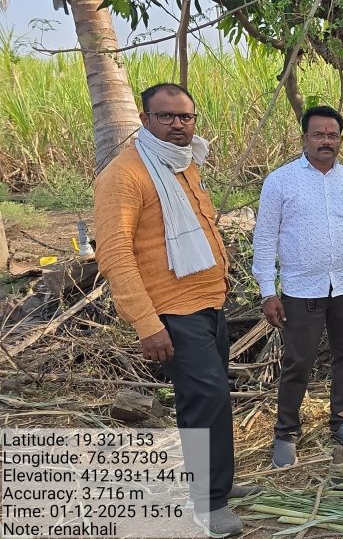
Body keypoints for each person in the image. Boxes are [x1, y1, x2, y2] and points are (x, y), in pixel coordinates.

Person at [94, 83, 251, 537]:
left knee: (206, 399)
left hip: (208, 302)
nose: (177, 125)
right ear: (145, 121)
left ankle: (214, 481)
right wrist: (146, 323)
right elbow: (116, 254)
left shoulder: (182, 165)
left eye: (185, 117)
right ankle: (208, 502)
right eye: (166, 117)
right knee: (207, 397)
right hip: (172, 312)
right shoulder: (125, 175)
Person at [253, 105, 343, 469]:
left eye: (332, 135)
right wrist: (268, 290)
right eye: (318, 135)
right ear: (304, 138)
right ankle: (286, 433)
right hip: (301, 289)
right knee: (298, 361)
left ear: (340, 139)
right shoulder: (280, 182)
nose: (326, 141)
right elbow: (264, 239)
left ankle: (342, 421)